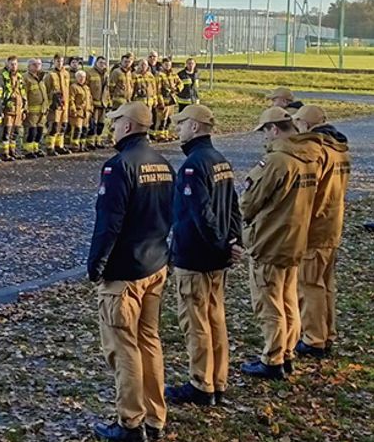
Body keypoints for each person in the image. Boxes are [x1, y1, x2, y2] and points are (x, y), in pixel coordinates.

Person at [87, 101, 173, 441]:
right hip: (155, 265)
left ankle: (130, 422)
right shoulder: (163, 163)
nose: (111, 128)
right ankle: (155, 417)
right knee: (149, 342)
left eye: (115, 122)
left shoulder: (118, 167)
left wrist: (96, 265)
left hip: (124, 272)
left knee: (123, 349)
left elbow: (108, 224)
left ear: (127, 126)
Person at [164, 105, 243, 407]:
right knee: (215, 319)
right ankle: (218, 380)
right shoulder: (219, 161)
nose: (177, 130)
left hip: (196, 258)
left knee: (196, 323)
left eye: (181, 124)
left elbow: (202, 215)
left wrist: (222, 244)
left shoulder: (192, 166)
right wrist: (233, 242)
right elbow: (233, 208)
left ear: (195, 127)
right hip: (217, 257)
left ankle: (201, 383)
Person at [239, 107, 321, 379]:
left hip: (271, 241)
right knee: (288, 301)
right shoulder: (310, 157)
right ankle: (286, 352)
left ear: (274, 129)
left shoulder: (277, 161)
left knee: (269, 303)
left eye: (264, 131)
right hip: (295, 239)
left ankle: (272, 359)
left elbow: (249, 203)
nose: (264, 138)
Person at [291, 105, 351, 358]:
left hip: (316, 226)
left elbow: (308, 190)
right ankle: (327, 332)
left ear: (305, 125)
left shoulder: (318, 152)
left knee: (309, 284)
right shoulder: (341, 150)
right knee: (326, 284)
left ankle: (314, 338)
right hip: (332, 224)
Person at [44, 54, 71, 155]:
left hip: (65, 104)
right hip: (54, 105)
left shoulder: (66, 74)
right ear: (54, 62)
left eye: (61, 61)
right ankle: (50, 147)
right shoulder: (50, 75)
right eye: (58, 61)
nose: (60, 63)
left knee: (62, 126)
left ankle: (59, 145)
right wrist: (50, 101)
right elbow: (46, 90)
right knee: (54, 126)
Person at [22, 59, 48, 159]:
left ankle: (35, 149)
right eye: (34, 64)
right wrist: (25, 109)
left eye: (39, 64)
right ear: (29, 66)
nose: (37, 66)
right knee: (30, 131)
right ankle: (28, 151)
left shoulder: (41, 78)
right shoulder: (26, 78)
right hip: (31, 111)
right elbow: (25, 95)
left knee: (39, 131)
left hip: (42, 111)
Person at [0, 57, 24, 161]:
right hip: (8, 108)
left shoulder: (19, 76)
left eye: (15, 64)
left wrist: (24, 107)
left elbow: (22, 91)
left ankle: (12, 151)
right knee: (6, 132)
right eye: (11, 64)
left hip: (18, 108)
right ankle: (4, 153)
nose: (13, 66)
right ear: (7, 64)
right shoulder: (2, 76)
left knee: (15, 132)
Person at [86, 56, 109, 148]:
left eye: (104, 63)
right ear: (96, 63)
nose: (102, 65)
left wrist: (108, 101)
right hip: (93, 103)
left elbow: (107, 89)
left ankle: (98, 141)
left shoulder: (106, 74)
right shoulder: (89, 73)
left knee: (101, 124)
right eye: (100, 63)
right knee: (92, 124)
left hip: (103, 103)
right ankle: (90, 142)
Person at [69, 70, 91, 152]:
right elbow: (71, 100)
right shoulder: (73, 87)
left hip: (86, 112)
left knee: (85, 129)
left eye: (83, 77)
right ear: (76, 78)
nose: (82, 79)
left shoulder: (86, 88)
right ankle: (75, 145)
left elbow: (90, 99)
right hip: (78, 112)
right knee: (77, 129)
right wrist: (73, 110)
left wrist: (90, 109)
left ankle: (82, 145)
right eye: (80, 77)